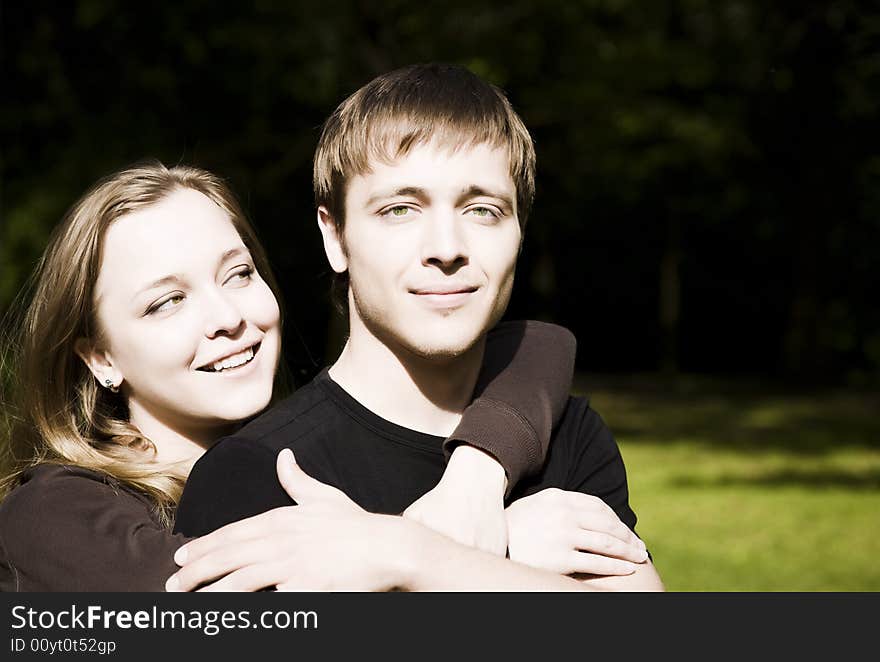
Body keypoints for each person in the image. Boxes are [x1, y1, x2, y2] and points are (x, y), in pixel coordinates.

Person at [171, 63, 664, 591]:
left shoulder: (566, 432)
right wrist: (492, 563)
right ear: (335, 237)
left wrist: (419, 562)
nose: (446, 248)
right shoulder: (256, 475)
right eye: (400, 209)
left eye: (482, 210)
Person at [0, 161, 581, 591]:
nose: (229, 318)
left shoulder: (306, 452)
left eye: (238, 274)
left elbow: (537, 345)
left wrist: (477, 476)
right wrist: (469, 552)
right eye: (167, 302)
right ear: (100, 358)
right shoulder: (52, 513)